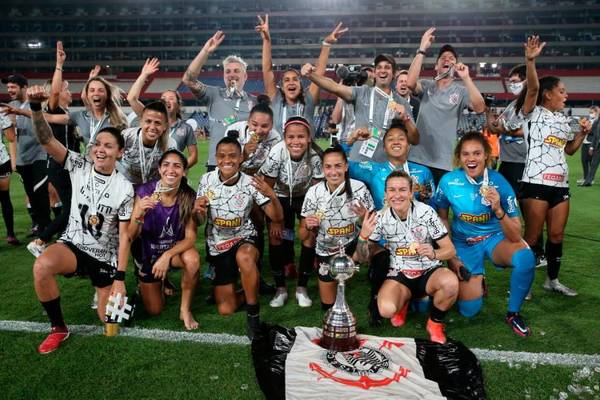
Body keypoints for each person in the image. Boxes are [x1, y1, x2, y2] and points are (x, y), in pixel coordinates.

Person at [27, 85, 133, 354]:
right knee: (41, 267)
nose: (99, 149)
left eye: (108, 146)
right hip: (73, 245)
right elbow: (46, 140)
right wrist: (36, 108)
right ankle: (58, 328)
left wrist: (120, 278)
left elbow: (125, 235)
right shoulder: (78, 164)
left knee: (113, 323)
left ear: (119, 153)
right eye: (97, 144)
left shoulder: (124, 187)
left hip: (104, 257)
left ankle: (109, 291)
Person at [434, 132, 536, 337]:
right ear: (459, 157)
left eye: (477, 153)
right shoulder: (448, 181)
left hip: (494, 239)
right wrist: (451, 257)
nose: (471, 159)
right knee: (468, 311)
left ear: (486, 155)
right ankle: (478, 279)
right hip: (464, 243)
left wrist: (498, 209)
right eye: (466, 154)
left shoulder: (500, 183)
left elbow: (516, 234)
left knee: (525, 257)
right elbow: (441, 219)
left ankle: (513, 313)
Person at [517, 36, 592, 296]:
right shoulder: (533, 112)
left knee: (557, 236)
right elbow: (533, 89)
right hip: (536, 183)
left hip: (560, 184)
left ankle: (552, 280)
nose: (566, 95)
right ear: (548, 94)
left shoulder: (562, 119)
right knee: (532, 238)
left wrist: (582, 134)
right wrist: (530, 60)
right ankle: (522, 285)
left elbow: (569, 150)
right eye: (562, 91)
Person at [194, 136, 283, 339]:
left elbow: (276, 216)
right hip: (218, 245)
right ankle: (250, 284)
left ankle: (253, 315)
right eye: (222, 156)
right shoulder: (207, 180)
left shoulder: (250, 182)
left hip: (245, 238)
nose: (228, 160)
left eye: (233, 156)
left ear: (240, 158)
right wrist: (197, 209)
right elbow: (199, 220)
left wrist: (272, 195)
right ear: (216, 158)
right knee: (225, 308)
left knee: (245, 257)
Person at [356, 170, 458, 344]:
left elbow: (450, 250)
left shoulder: (426, 212)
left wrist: (434, 253)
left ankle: (435, 323)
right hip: (400, 272)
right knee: (386, 310)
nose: (397, 195)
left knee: (450, 284)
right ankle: (404, 301)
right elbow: (363, 257)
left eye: (402, 190)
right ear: (386, 194)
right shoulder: (380, 217)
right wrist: (363, 237)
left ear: (411, 193)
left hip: (429, 271)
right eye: (392, 190)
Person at [128, 149, 200, 330]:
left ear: (184, 171)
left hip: (173, 251)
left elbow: (191, 238)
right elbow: (130, 235)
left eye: (177, 166)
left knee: (192, 260)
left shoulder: (188, 196)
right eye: (166, 165)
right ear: (159, 169)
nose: (171, 170)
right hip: (148, 253)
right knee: (154, 310)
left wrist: (167, 255)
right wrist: (139, 214)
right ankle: (155, 279)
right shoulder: (144, 191)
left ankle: (185, 309)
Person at [301, 54, 418, 163]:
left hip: (386, 165)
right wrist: (311, 75)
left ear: (393, 73)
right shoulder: (362, 93)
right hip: (358, 163)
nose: (383, 70)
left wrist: (406, 119)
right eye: (379, 67)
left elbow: (415, 139)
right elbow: (334, 87)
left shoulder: (401, 103)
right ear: (375, 72)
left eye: (387, 67)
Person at [258, 116, 323, 307]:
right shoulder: (277, 153)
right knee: (276, 235)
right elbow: (266, 189)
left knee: (309, 235)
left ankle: (302, 288)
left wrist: (311, 219)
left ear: (309, 138)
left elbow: (317, 191)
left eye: (301, 137)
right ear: (284, 138)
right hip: (278, 196)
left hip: (305, 195)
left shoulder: (316, 156)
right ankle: (281, 289)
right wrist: (276, 219)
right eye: (291, 137)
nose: (296, 142)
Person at [406, 27, 486, 184]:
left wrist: (466, 78)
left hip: (444, 161)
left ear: (456, 66)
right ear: (436, 66)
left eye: (451, 58)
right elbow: (409, 83)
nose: (447, 60)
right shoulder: (427, 86)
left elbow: (480, 108)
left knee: (440, 207)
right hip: (417, 157)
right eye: (443, 58)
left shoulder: (461, 91)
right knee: (415, 203)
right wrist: (422, 48)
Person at [300, 146, 374, 311]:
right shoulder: (314, 192)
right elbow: (302, 235)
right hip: (326, 249)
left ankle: (356, 268)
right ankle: (336, 271)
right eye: (328, 166)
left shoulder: (359, 189)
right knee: (328, 306)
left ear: (346, 166)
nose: (333, 171)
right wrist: (308, 225)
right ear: (323, 168)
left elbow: (374, 228)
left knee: (369, 246)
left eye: (338, 166)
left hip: (353, 245)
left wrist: (364, 216)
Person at [27, 41, 78, 257]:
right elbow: (55, 92)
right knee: (70, 209)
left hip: (67, 165)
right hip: (60, 166)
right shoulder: (55, 107)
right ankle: (40, 240)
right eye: (67, 88)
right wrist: (59, 65)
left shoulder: (66, 112)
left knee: (74, 207)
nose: (69, 91)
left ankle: (68, 239)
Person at [257, 15, 348, 133]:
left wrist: (326, 44)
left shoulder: (308, 100)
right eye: (287, 80)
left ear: (301, 85)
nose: (291, 82)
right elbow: (267, 69)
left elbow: (319, 74)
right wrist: (266, 40)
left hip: (305, 151)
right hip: (279, 151)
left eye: (295, 79)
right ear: (282, 88)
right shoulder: (276, 99)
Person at [182, 31, 255, 171]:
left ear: (245, 76)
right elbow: (188, 80)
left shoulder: (255, 102)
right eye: (227, 71)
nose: (231, 74)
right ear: (223, 76)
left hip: (246, 167)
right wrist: (205, 51)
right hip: (216, 166)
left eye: (236, 71)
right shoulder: (214, 95)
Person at [2, 74, 51, 236]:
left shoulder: (36, 101)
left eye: (13, 87)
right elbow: (11, 136)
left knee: (40, 191)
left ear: (24, 87)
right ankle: (38, 224)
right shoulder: (11, 105)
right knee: (30, 193)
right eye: (8, 87)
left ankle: (46, 225)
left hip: (40, 154)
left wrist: (19, 113)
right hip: (23, 157)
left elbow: (43, 119)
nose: (9, 90)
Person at [127, 58, 198, 169]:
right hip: (146, 172)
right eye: (163, 98)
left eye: (171, 98)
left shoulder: (185, 128)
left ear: (178, 105)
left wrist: (178, 169)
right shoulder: (150, 116)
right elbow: (132, 98)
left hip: (170, 176)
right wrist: (144, 75)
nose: (166, 100)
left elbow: (193, 156)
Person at [117, 101, 176, 186]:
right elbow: (111, 159)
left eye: (158, 123)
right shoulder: (127, 136)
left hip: (153, 189)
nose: (152, 127)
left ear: (165, 126)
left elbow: (170, 173)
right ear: (141, 122)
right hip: (124, 185)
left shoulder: (170, 145)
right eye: (148, 121)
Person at [0, 114, 18, 245]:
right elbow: (11, 137)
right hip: (2, 160)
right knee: (5, 198)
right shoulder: (1, 113)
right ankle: (11, 235)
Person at [580, 106, 598, 186]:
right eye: (590, 112)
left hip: (591, 143)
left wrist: (586, 128)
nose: (591, 114)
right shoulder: (588, 120)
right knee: (584, 161)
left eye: (592, 112)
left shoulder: (597, 121)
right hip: (584, 142)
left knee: (591, 161)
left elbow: (594, 133)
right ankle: (585, 178)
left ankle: (591, 179)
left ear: (596, 113)